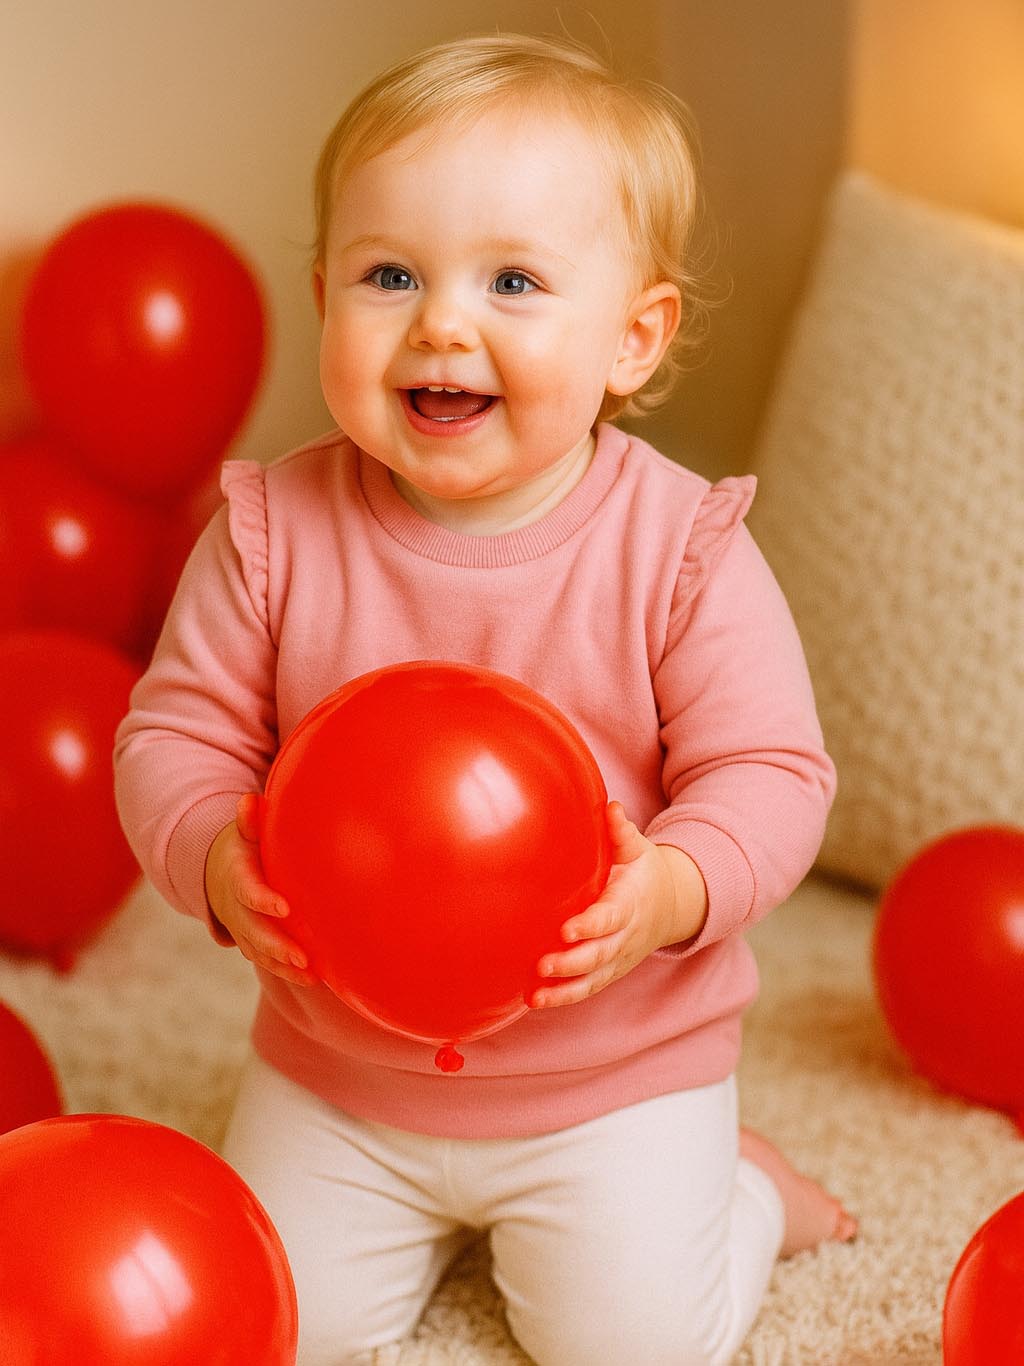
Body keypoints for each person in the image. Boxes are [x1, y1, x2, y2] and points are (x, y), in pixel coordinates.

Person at [114, 31, 855, 1366]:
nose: (442, 322)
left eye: (513, 280)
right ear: (325, 292)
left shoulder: (678, 550)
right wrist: (216, 859)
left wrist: (671, 890)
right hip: (339, 1075)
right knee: (281, 1321)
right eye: (389, 273)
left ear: (634, 336)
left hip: (611, 1080)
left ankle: (745, 1194)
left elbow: (774, 774)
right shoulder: (274, 530)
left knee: (634, 1345)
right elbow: (172, 734)